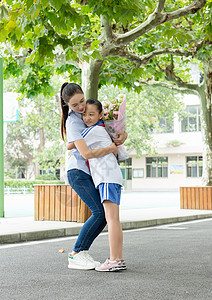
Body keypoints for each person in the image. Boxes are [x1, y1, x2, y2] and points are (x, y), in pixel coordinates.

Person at [60, 82, 127, 270]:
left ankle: (85, 252)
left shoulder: (88, 112)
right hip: (78, 171)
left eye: (81, 101)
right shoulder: (73, 121)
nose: (81, 108)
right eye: (75, 106)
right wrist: (111, 148)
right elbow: (85, 152)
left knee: (105, 216)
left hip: (94, 172)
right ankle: (77, 252)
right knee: (100, 213)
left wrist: (123, 135)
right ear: (67, 106)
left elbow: (107, 129)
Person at [80, 99, 126, 272]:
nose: (87, 118)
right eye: (84, 114)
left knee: (112, 219)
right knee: (114, 219)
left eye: (91, 114)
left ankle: (115, 259)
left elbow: (72, 143)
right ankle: (117, 259)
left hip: (106, 178)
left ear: (101, 115)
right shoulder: (104, 131)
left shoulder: (93, 131)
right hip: (112, 178)